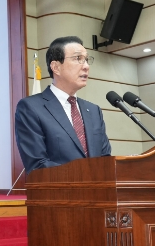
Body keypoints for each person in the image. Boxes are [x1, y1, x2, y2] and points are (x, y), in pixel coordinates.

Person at [15, 36, 111, 174]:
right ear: (56, 67)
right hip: (58, 188)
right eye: (78, 58)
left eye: (86, 59)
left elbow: (105, 159)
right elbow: (38, 165)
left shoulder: (94, 110)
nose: (86, 66)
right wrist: (84, 176)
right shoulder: (31, 108)